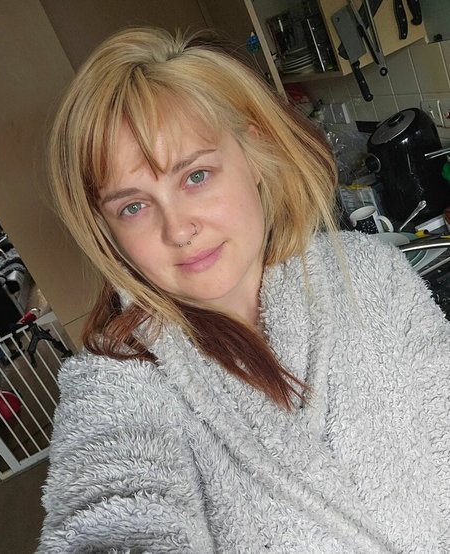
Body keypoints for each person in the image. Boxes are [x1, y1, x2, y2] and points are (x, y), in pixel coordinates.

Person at [38, 27, 449, 553]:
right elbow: (109, 517)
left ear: (253, 153)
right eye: (133, 206)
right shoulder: (119, 380)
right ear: (108, 229)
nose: (178, 229)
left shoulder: (369, 272)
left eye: (196, 176)